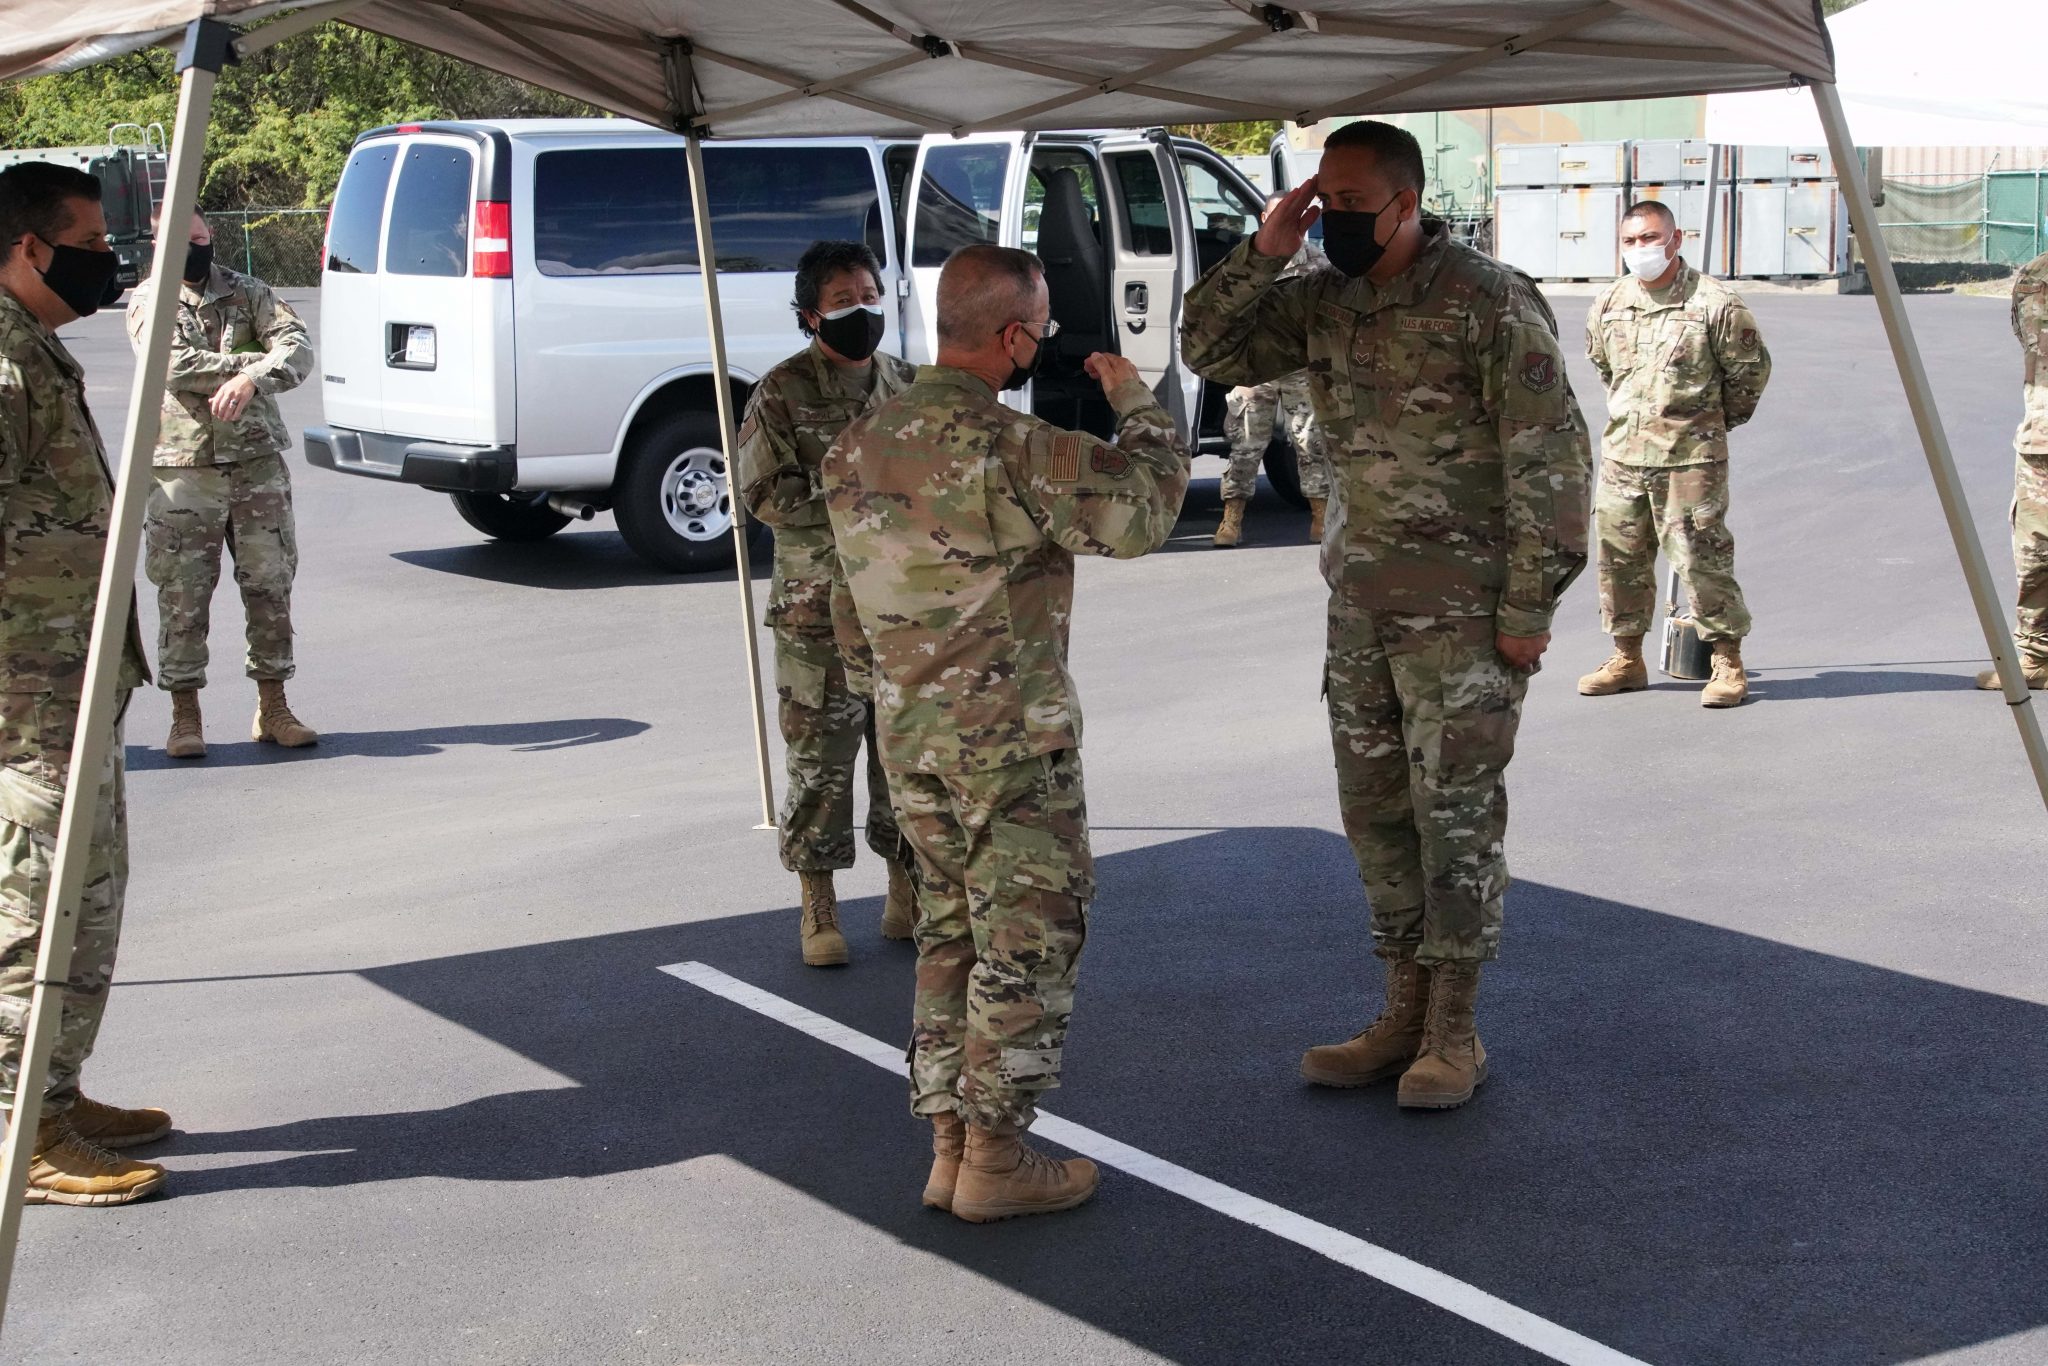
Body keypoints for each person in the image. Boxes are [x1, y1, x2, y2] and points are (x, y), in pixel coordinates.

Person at [1181, 121, 1590, 1111]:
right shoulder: (1319, 298)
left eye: (1352, 205)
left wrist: (1529, 604)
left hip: (1463, 614)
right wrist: (1264, 249)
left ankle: (1453, 1027)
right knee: (1375, 816)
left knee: (1452, 819)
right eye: (1322, 202)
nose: (1334, 221)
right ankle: (1399, 1005)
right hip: (1358, 606)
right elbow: (1205, 342)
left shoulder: (1487, 301)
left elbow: (1553, 459)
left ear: (1406, 203)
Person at [823, 245, 1188, 1220]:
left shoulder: (855, 446)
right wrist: (1137, 400)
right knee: (1029, 932)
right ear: (1016, 335)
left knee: (947, 930)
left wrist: (894, 696)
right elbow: (1145, 511)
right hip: (1008, 746)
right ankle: (994, 1156)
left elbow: (843, 607)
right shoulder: (1008, 444)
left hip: (910, 743)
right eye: (1041, 334)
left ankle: (948, 1146)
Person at [0, 162, 170, 1205]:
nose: (106, 264)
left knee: (88, 899)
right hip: (25, 697)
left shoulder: (34, 353)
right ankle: (20, 1124)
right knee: (34, 900)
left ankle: (55, 1091)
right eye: (94, 246)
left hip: (72, 682)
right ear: (28, 248)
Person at [736, 240, 919, 966]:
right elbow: (762, 497)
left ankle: (906, 887)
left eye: (870, 294)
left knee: (904, 758)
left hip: (899, 607)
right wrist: (853, 494)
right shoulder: (782, 392)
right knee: (820, 762)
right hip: (816, 612)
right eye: (844, 300)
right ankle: (819, 905)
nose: (862, 309)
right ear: (811, 314)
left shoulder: (907, 384)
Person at [128, 211, 316, 759]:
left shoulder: (250, 290)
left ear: (211, 237)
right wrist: (254, 360)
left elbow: (298, 348)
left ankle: (274, 706)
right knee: (183, 594)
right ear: (157, 244)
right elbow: (174, 364)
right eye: (179, 241)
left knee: (270, 584)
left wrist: (249, 378)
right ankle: (185, 716)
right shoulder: (148, 300)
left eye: (199, 238)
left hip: (256, 464)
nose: (193, 248)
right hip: (183, 469)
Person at [1578, 200, 1771, 708]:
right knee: (1618, 560)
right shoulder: (1609, 302)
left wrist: (1706, 425)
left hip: (1690, 459)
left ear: (1676, 239)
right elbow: (1603, 366)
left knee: (1701, 561)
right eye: (1631, 240)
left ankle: (1727, 661)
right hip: (1623, 456)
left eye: (1650, 238)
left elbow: (1748, 376)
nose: (1640, 249)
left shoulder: (1716, 303)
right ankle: (1626, 658)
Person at [1216, 195, 1333, 549]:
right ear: (1265, 217)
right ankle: (1231, 521)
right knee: (1245, 443)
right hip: (1257, 367)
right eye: (1280, 214)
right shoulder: (1245, 261)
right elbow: (1223, 309)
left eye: (1295, 214)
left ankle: (1320, 518)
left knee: (1310, 442)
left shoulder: (1319, 263)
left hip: (1300, 364)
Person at [1978, 250, 2048, 691]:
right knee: (2035, 551)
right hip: (2043, 438)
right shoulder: (2038, 274)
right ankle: (2036, 656)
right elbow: (2032, 344)